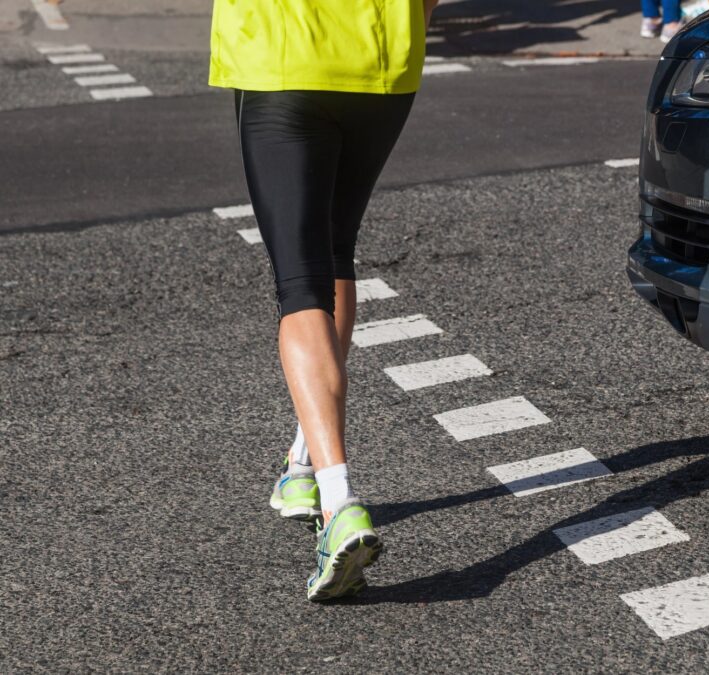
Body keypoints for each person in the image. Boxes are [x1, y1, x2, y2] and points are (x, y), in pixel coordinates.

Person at [208, 0, 439, 601]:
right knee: (336, 252)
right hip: (383, 64)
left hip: (282, 61)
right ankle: (303, 464)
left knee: (300, 282)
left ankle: (338, 501)